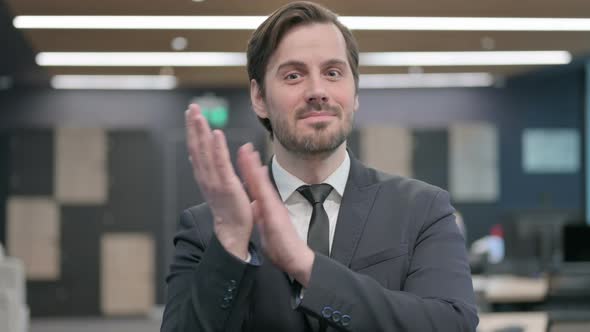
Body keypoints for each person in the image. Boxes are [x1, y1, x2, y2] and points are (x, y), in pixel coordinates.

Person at [161, 2, 478, 331]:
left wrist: (309, 268)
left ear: (354, 91)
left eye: (333, 73)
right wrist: (230, 243)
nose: (317, 91)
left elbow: (453, 324)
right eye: (293, 75)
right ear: (259, 97)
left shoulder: (422, 209)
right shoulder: (205, 227)